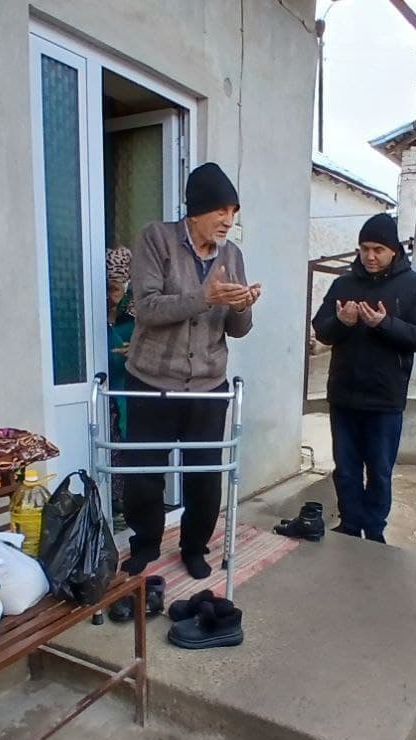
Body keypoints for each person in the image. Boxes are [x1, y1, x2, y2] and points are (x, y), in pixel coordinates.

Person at [123, 162, 260, 579]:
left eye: (233, 212)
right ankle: (145, 544)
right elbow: (144, 307)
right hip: (151, 381)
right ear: (196, 210)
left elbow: (237, 330)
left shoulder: (232, 254)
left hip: (207, 386)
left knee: (205, 476)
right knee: (144, 475)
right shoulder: (156, 239)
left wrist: (241, 305)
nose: (228, 221)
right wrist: (204, 297)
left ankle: (195, 547)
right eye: (221, 210)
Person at [311, 213, 416, 542]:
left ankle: (375, 530)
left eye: (378, 249)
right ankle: (350, 524)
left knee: (379, 471)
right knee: (346, 467)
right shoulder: (343, 284)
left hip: (385, 399)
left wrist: (384, 324)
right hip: (344, 395)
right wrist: (342, 323)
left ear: (394, 250)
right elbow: (321, 329)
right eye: (364, 248)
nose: (370, 256)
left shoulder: (414, 286)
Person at [105, 246, 135, 529]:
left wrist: (137, 351)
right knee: (110, 447)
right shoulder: (94, 316)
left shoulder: (133, 317)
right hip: (105, 391)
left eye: (116, 290)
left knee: (128, 449)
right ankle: (110, 505)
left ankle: (126, 506)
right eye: (108, 288)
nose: (111, 296)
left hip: (128, 391)